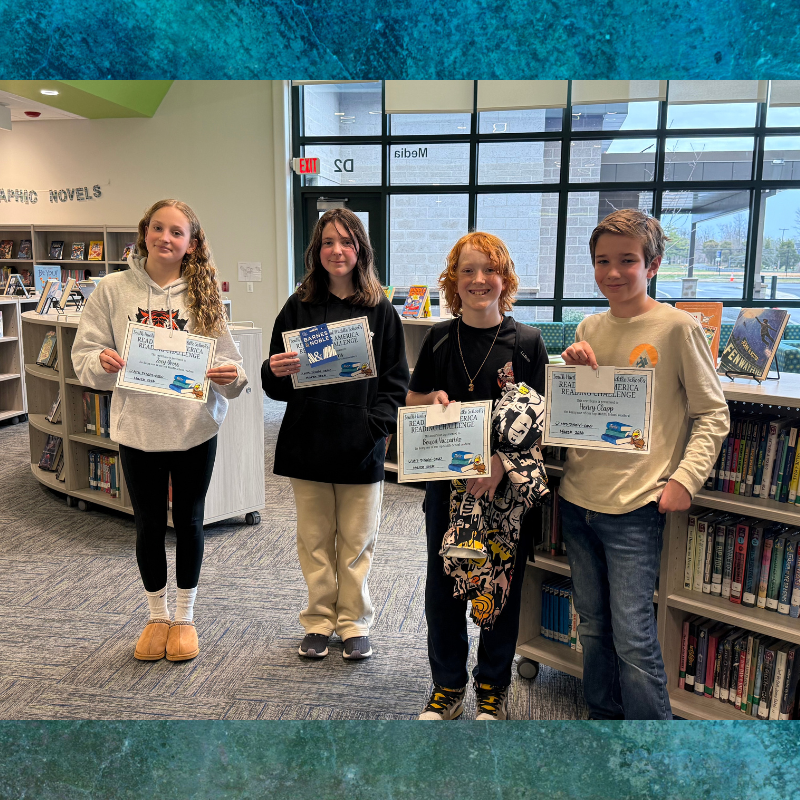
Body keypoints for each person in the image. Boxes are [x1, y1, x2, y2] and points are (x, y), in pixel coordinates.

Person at [559, 209, 729, 719]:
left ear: (651, 264)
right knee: (591, 623)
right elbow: (584, 409)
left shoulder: (677, 328)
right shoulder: (590, 325)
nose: (613, 272)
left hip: (634, 507)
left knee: (633, 637)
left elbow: (712, 413)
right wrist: (573, 373)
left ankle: (649, 747)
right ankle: (602, 720)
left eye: (627, 260)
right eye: (602, 261)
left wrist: (685, 479)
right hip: (577, 499)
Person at [72, 199, 247, 663]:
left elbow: (234, 366)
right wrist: (101, 363)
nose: (165, 238)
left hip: (193, 429)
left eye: (176, 232)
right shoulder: (111, 290)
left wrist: (231, 377)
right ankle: (156, 614)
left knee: (189, 522)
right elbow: (84, 355)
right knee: (148, 525)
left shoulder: (204, 297)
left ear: (191, 244)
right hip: (138, 431)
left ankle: (185, 616)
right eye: (157, 228)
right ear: (144, 231)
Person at [406, 232, 548, 720]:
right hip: (448, 490)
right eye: (467, 270)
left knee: (500, 587)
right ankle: (447, 686)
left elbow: (540, 423)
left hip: (505, 493)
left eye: (489, 270)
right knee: (444, 586)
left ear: (504, 279)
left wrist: (501, 466)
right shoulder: (439, 338)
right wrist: (432, 402)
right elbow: (412, 401)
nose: (478, 280)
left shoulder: (527, 342)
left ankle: (493, 686)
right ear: (454, 280)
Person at [262, 208, 408, 661]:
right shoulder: (297, 305)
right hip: (308, 440)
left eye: (346, 241)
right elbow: (274, 382)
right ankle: (319, 621)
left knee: (357, 542)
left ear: (360, 248)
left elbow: (395, 381)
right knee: (314, 539)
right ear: (316, 250)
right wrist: (274, 369)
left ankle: (353, 623)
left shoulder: (380, 309)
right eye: (328, 242)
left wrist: (375, 428)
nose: (337, 250)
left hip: (360, 444)